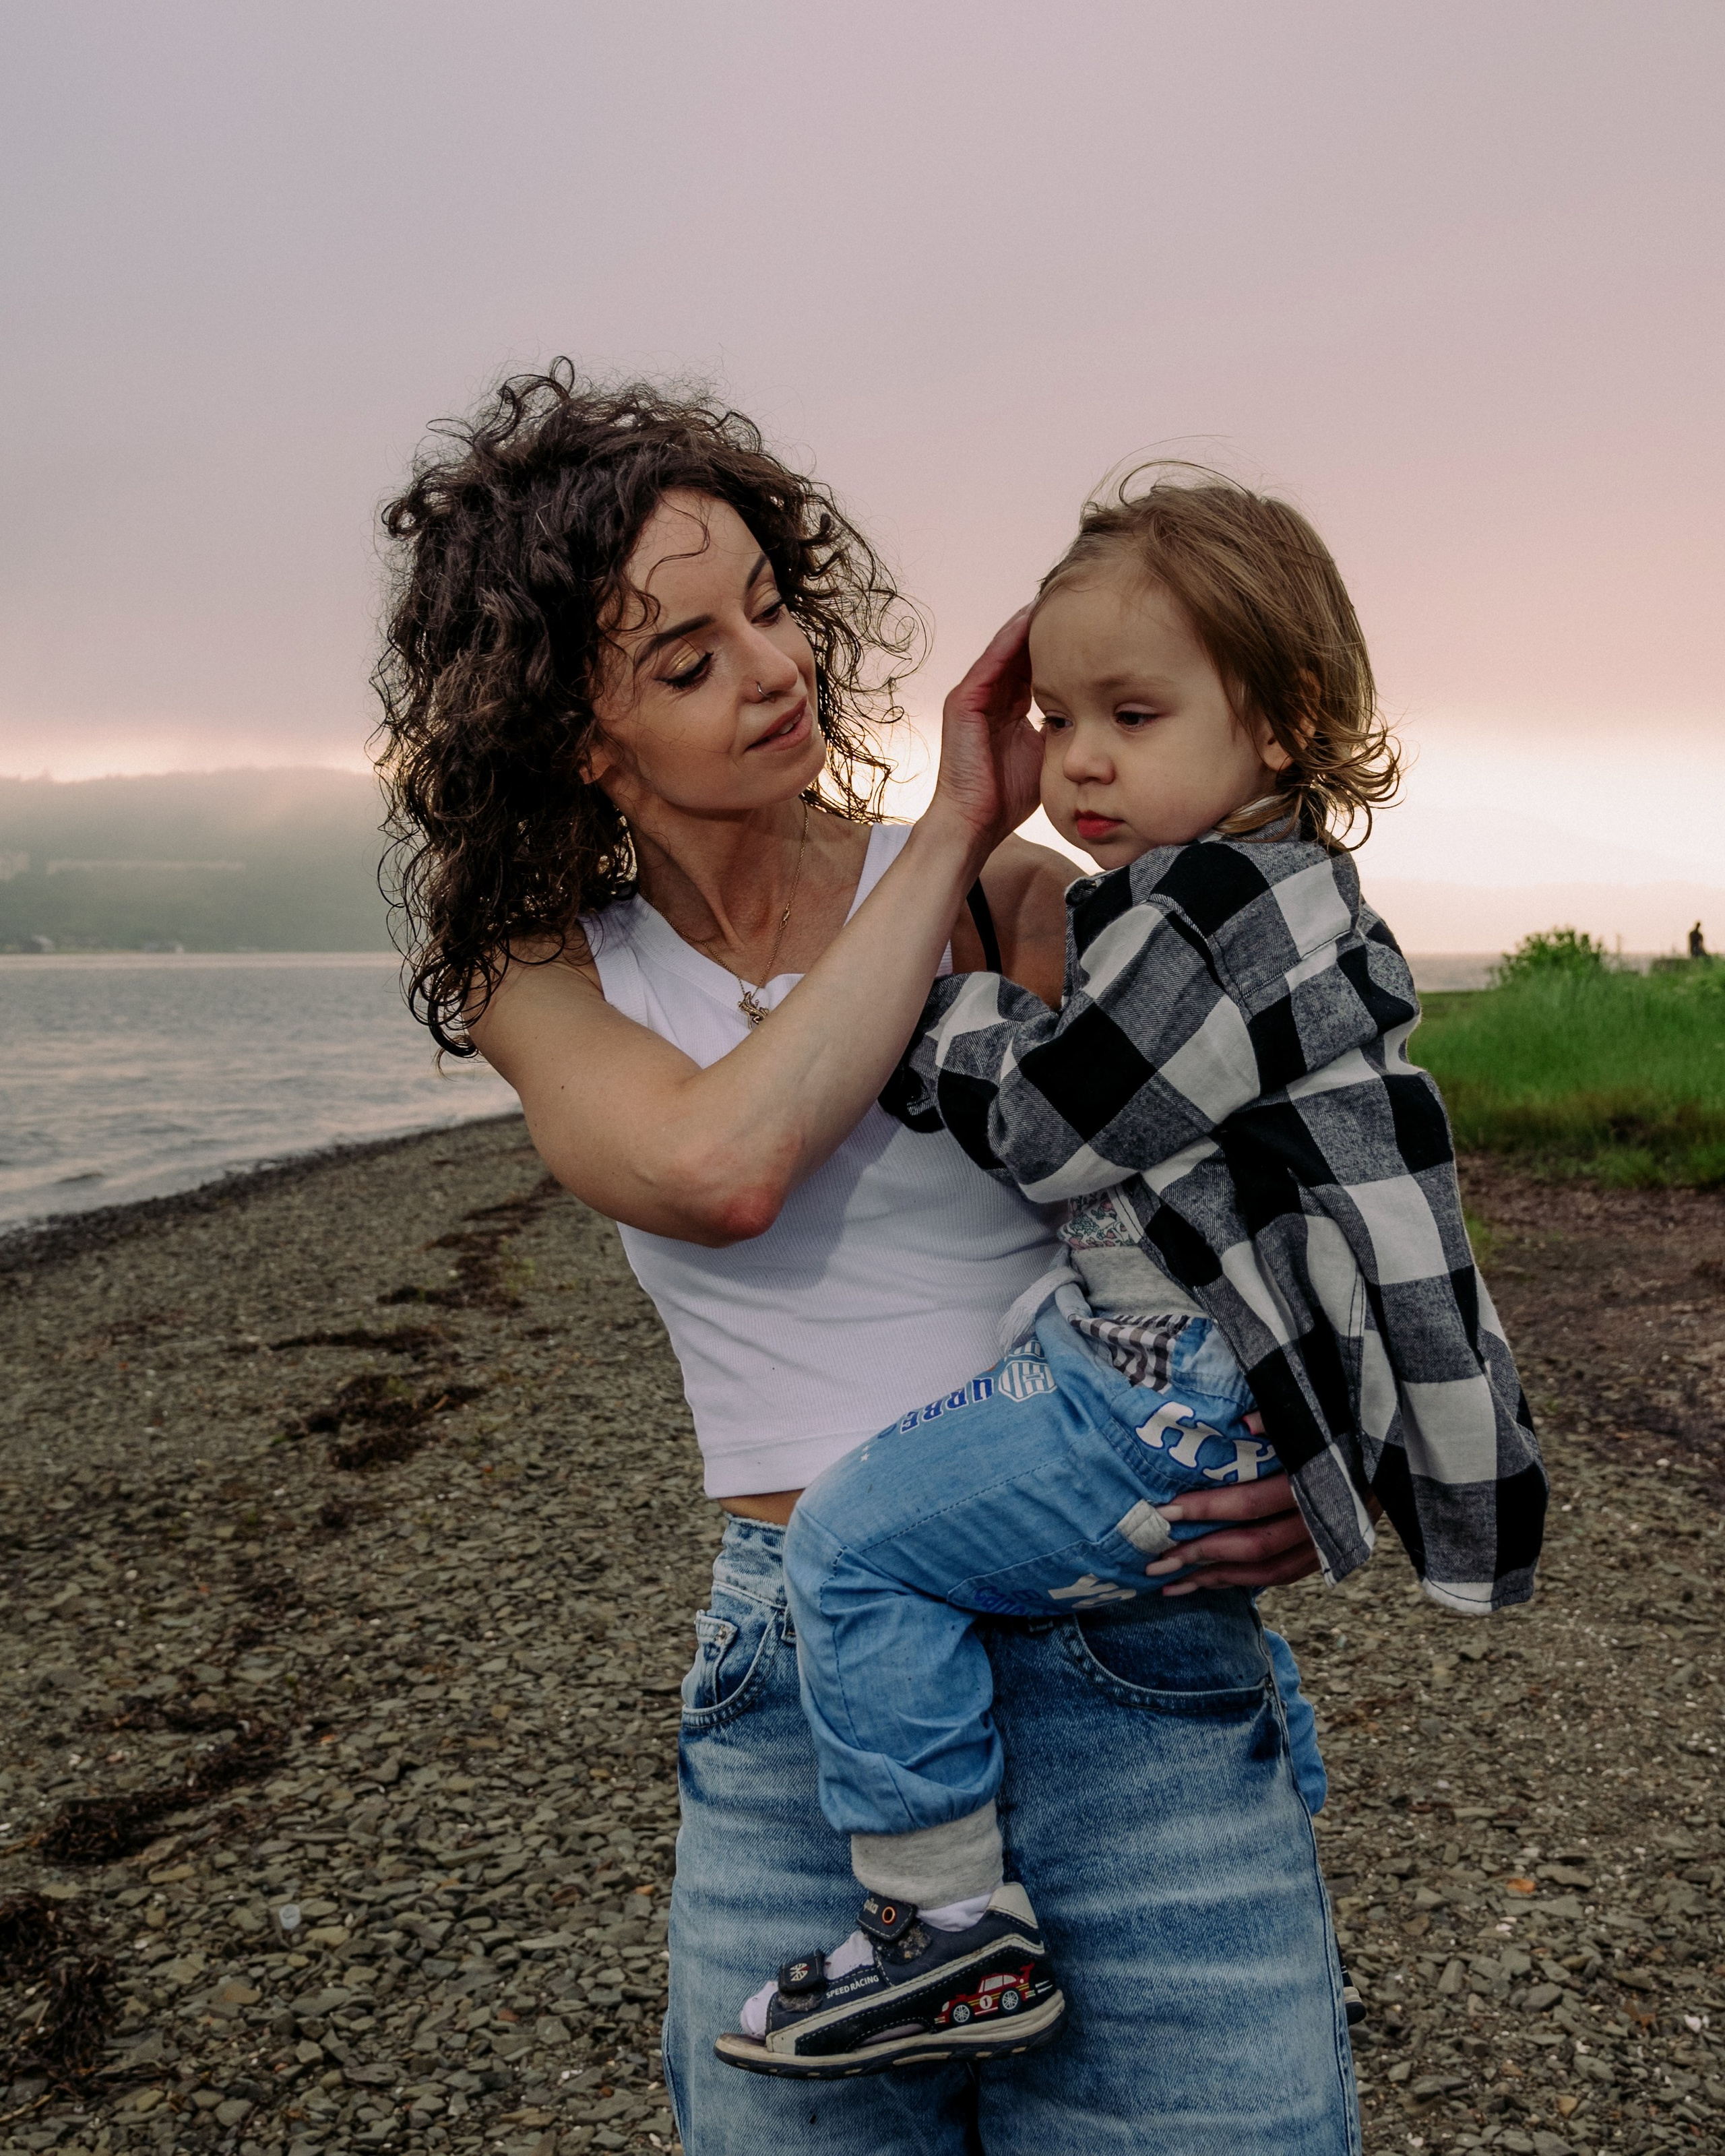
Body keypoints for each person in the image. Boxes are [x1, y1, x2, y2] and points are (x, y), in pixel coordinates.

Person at [376, 367, 1356, 2154]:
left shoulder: (1027, 900)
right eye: (685, 660)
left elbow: (1285, 1165)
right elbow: (716, 1165)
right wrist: (956, 834)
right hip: (799, 1708)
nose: (773, 669)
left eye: (769, 605)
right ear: (574, 739)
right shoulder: (548, 971)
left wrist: (1322, 1438)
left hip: (1128, 1661)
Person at [720, 474, 1548, 2077]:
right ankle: (1258, 1782)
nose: (1081, 759)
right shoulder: (1231, 896)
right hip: (1181, 1371)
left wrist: (915, 1014)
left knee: (849, 1551)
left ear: (1285, 717)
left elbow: (1052, 1126)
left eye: (1131, 712)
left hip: (1169, 1386)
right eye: (1057, 714)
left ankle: (939, 1928)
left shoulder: (1220, 910)